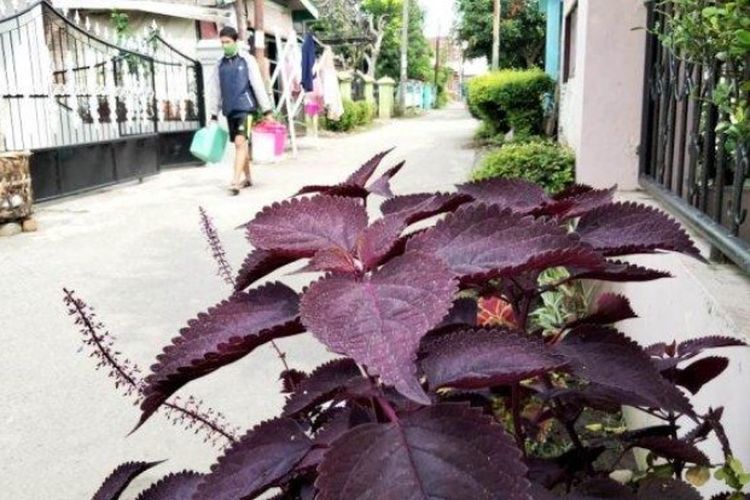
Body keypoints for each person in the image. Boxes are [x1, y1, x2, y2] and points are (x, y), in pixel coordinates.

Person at [209, 26, 273, 195]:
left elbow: (258, 84)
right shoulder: (219, 64)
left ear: (235, 41)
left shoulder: (247, 60)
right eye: (222, 43)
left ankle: (235, 182)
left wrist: (267, 110)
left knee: (239, 142)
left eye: (228, 42)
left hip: (246, 108)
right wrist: (213, 114)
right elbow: (215, 90)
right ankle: (248, 178)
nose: (224, 46)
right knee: (241, 144)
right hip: (230, 110)